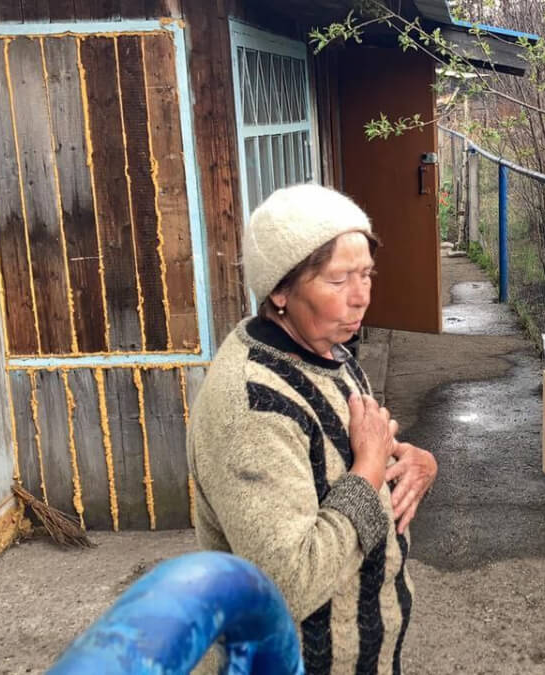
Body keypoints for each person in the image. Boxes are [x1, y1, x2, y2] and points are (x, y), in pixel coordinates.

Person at [187, 184, 438, 674]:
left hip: (366, 652)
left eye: (367, 274)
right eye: (338, 280)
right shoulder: (251, 406)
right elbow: (288, 583)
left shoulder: (327, 350)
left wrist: (413, 461)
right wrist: (369, 470)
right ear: (281, 290)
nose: (362, 297)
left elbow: (347, 451)